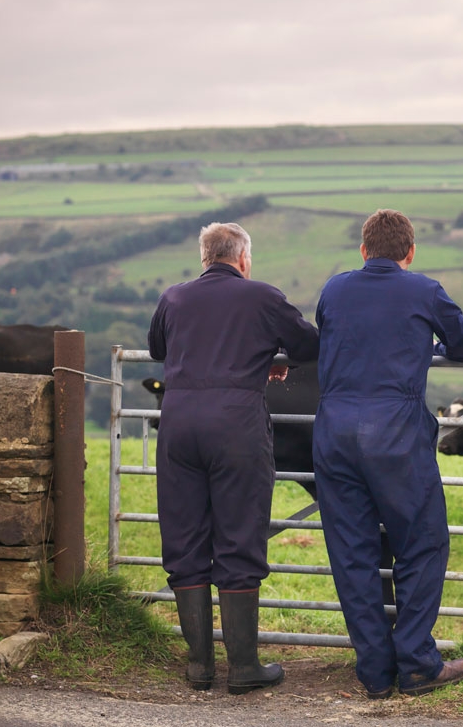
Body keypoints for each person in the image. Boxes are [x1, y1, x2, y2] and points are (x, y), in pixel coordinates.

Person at [312, 209, 463, 699]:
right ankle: (416, 663)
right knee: (423, 544)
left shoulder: (334, 289)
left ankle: (373, 672)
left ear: (363, 251)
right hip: (396, 433)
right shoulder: (423, 289)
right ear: (410, 253)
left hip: (335, 430)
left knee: (352, 552)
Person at [148, 222, 318, 695]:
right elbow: (308, 345)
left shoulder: (174, 297)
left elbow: (159, 349)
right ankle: (243, 667)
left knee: (184, 539)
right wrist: (271, 355)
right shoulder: (262, 297)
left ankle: (199, 667)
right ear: (242, 259)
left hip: (178, 422)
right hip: (236, 423)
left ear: (204, 257)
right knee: (239, 535)